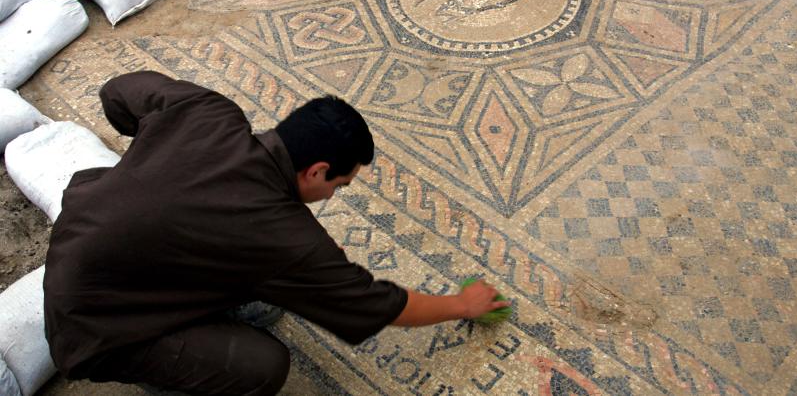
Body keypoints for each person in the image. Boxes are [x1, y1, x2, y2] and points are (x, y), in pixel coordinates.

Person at [43, 71, 510, 395]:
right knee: (263, 367)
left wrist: (154, 159)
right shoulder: (286, 239)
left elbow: (117, 90)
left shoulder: (207, 110)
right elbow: (381, 305)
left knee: (256, 286)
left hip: (82, 244)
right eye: (339, 186)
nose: (333, 195)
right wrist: (461, 305)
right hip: (92, 326)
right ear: (318, 170)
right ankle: (165, 377)